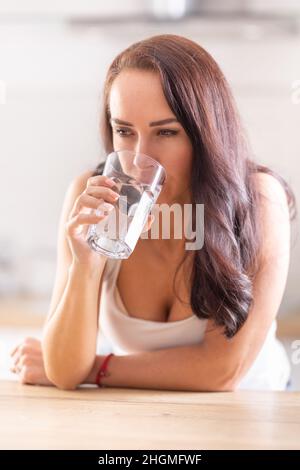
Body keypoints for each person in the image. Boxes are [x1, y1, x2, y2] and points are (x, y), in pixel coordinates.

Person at [10, 34, 296, 391]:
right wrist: (87, 265)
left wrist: (96, 368)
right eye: (124, 131)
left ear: (205, 134)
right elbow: (65, 372)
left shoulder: (257, 200)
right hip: (147, 419)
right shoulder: (92, 198)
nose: (141, 157)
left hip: (253, 415)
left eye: (166, 132)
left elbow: (222, 371)